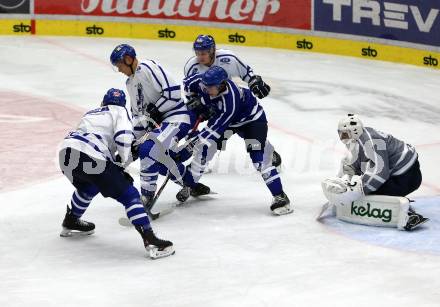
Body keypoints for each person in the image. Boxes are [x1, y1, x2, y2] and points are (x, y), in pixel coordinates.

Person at [58, 88, 174, 259]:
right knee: (130, 195)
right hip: (91, 156)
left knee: (89, 186)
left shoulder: (92, 112)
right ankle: (151, 240)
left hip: (66, 154)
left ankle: (71, 220)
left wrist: (114, 166)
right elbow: (123, 136)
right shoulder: (120, 111)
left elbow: (98, 140)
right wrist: (123, 166)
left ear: (103, 102)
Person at [174, 65, 292, 215]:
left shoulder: (231, 100)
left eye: (211, 87)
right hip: (226, 120)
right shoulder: (200, 82)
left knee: (259, 158)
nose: (207, 89)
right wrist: (195, 101)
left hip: (251, 121)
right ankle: (191, 185)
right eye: (206, 86)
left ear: (222, 85)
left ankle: (280, 196)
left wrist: (188, 148)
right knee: (204, 150)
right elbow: (187, 84)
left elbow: (213, 131)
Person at [110, 44, 191, 208]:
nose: (119, 70)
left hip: (176, 118)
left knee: (148, 150)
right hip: (158, 126)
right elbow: (139, 118)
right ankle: (190, 181)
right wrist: (131, 146)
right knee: (157, 160)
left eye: (119, 65)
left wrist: (157, 109)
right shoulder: (129, 83)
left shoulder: (147, 67)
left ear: (128, 59)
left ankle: (146, 198)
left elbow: (173, 92)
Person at [184, 34, 282, 168]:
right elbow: (192, 89)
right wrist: (199, 107)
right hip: (217, 108)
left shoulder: (228, 58)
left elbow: (247, 73)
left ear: (212, 50)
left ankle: (264, 149)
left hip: (235, 105)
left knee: (248, 134)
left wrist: (254, 82)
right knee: (209, 136)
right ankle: (200, 159)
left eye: (204, 53)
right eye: (197, 53)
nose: (200, 56)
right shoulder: (191, 67)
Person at [321, 114, 428, 230]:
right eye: (341, 134)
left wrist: (359, 190)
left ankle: (406, 215)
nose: (343, 138)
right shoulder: (360, 140)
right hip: (402, 173)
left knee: (370, 193)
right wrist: (345, 181)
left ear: (355, 131)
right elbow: (353, 164)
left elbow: (380, 173)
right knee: (363, 185)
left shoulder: (371, 141)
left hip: (407, 176)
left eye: (345, 134)